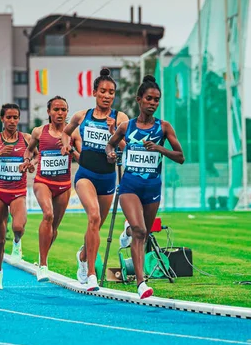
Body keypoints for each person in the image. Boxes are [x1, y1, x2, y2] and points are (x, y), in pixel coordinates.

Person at [105, 75, 184, 299]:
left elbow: (180, 157)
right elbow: (110, 144)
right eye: (149, 98)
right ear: (139, 99)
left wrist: (160, 149)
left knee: (143, 233)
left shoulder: (164, 127)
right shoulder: (126, 126)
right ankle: (141, 283)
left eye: (157, 100)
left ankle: (126, 231)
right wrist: (111, 154)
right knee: (140, 231)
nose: (153, 103)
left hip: (152, 188)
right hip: (130, 186)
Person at [61, 68, 129, 291]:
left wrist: (114, 133)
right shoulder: (82, 115)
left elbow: (126, 147)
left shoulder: (121, 119)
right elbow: (66, 132)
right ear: (94, 92)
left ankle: (82, 255)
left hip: (108, 179)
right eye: (103, 91)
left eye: (111, 92)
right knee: (93, 216)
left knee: (96, 225)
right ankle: (91, 273)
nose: (107, 96)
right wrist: (65, 143)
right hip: (85, 175)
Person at [0, 103, 36, 290]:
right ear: (2, 119)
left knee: (18, 226)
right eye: (9, 117)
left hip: (18, 192)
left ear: (19, 119)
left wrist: (29, 162)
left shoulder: (26, 139)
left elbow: (38, 155)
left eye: (15, 117)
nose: (12, 121)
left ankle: (18, 243)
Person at [23, 96, 80, 282]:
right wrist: (27, 162)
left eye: (63, 109)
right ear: (49, 112)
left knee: (54, 228)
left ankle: (41, 259)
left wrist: (70, 150)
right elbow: (29, 150)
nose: (60, 113)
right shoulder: (39, 132)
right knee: (48, 215)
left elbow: (82, 158)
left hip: (63, 186)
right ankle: (44, 265)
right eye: (56, 109)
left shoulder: (74, 133)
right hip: (42, 182)